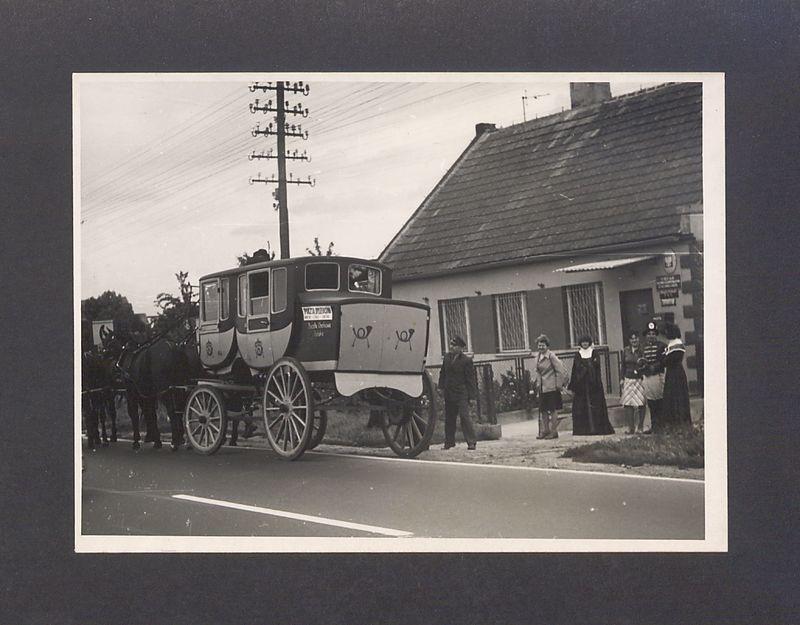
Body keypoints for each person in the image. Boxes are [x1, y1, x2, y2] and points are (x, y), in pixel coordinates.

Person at [437, 336, 478, 450]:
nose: (451, 347)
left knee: (465, 417)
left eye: (454, 345)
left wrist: (472, 397)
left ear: (460, 348)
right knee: (449, 419)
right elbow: (442, 373)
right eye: (451, 345)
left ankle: (471, 442)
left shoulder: (466, 361)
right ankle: (449, 442)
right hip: (449, 393)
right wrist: (441, 387)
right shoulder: (447, 358)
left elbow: (470, 380)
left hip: (461, 393)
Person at [568, 335, 614, 435]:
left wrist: (588, 369)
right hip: (582, 386)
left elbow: (596, 366)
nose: (585, 344)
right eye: (583, 342)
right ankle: (584, 430)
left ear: (589, 342)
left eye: (586, 342)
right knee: (582, 407)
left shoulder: (594, 353)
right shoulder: (578, 354)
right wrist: (586, 369)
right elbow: (576, 369)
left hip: (594, 385)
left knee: (596, 406)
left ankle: (597, 429)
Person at [532, 334, 569, 439]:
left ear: (547, 346)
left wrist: (558, 385)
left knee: (552, 410)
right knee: (543, 410)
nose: (541, 347)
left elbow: (560, 370)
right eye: (539, 345)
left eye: (543, 345)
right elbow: (538, 372)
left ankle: (554, 431)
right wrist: (538, 385)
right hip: (543, 388)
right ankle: (545, 430)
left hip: (552, 387)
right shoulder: (537, 357)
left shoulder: (551, 356)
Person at [660, 323, 692, 429]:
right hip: (672, 372)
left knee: (676, 396)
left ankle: (679, 422)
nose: (666, 334)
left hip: (676, 373)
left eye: (667, 332)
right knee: (672, 397)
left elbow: (669, 360)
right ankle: (674, 422)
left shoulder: (677, 345)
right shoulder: (672, 344)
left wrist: (663, 360)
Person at [640, 321, 667, 434]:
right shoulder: (643, 347)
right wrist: (643, 367)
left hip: (658, 375)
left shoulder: (662, 346)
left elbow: (663, 361)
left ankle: (661, 425)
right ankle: (653, 425)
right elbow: (640, 360)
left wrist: (654, 367)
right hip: (647, 376)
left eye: (653, 334)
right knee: (650, 401)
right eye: (649, 334)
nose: (651, 336)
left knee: (659, 400)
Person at [620, 330, 647, 434]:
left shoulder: (642, 350)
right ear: (629, 340)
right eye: (632, 338)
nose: (634, 340)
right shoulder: (626, 350)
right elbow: (623, 366)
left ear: (638, 339)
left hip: (640, 379)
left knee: (641, 403)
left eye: (636, 338)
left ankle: (640, 427)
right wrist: (622, 378)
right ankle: (631, 428)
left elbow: (645, 364)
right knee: (628, 404)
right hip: (628, 379)